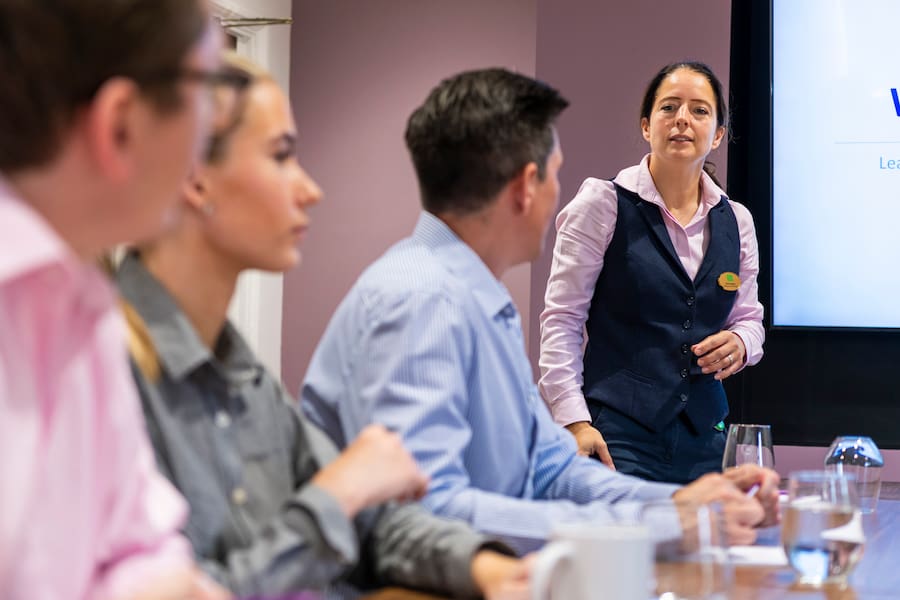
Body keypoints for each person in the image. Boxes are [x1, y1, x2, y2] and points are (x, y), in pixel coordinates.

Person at [301, 68, 779, 554]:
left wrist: (681, 506)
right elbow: (430, 508)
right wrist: (664, 523)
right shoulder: (424, 303)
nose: (560, 200)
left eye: (699, 111)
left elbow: (549, 468)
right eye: (555, 174)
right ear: (526, 186)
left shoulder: (480, 301)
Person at [116, 53, 530, 599]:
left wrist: (490, 570)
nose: (310, 189)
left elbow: (376, 519)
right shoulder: (107, 378)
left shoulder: (248, 381)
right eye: (281, 156)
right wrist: (334, 498)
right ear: (195, 180)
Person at [0, 1, 234, 598]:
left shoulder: (83, 302)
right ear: (121, 124)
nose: (211, 131)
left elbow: (142, 539)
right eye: (209, 87)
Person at [538, 61, 765, 484]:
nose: (682, 118)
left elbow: (750, 319)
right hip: (617, 436)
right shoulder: (603, 203)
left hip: (706, 439)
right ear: (647, 126)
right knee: (623, 550)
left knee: (701, 549)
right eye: (668, 107)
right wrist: (573, 422)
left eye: (699, 110)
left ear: (717, 135)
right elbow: (562, 319)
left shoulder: (738, 220)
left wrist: (741, 342)